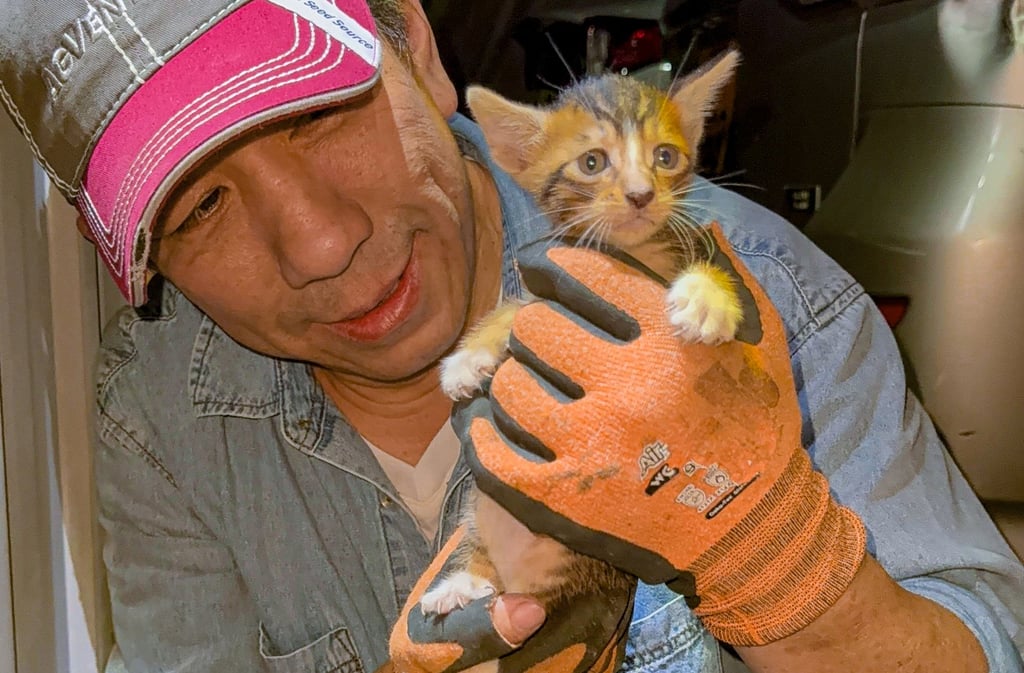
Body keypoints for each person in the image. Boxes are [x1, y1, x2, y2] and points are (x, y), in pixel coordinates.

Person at [2, 0, 1022, 672]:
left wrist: (785, 567)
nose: (318, 243)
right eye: (200, 207)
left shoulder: (762, 294)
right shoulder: (156, 403)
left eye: (318, 115)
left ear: (418, 48)